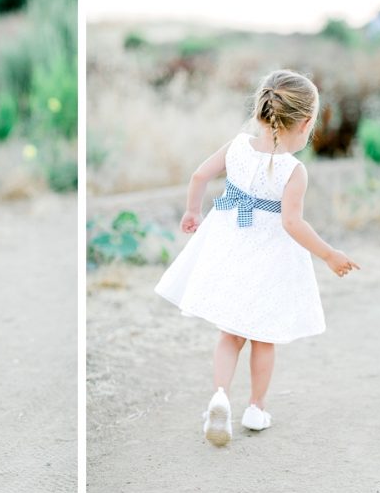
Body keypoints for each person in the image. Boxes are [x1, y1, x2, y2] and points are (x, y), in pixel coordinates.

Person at [154, 69, 360, 446]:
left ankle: (219, 397)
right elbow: (293, 224)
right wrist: (329, 254)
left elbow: (199, 176)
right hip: (269, 261)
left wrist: (192, 212)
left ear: (263, 110)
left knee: (229, 334)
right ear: (307, 123)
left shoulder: (237, 147)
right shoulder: (293, 171)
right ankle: (256, 408)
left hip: (230, 250)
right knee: (263, 338)